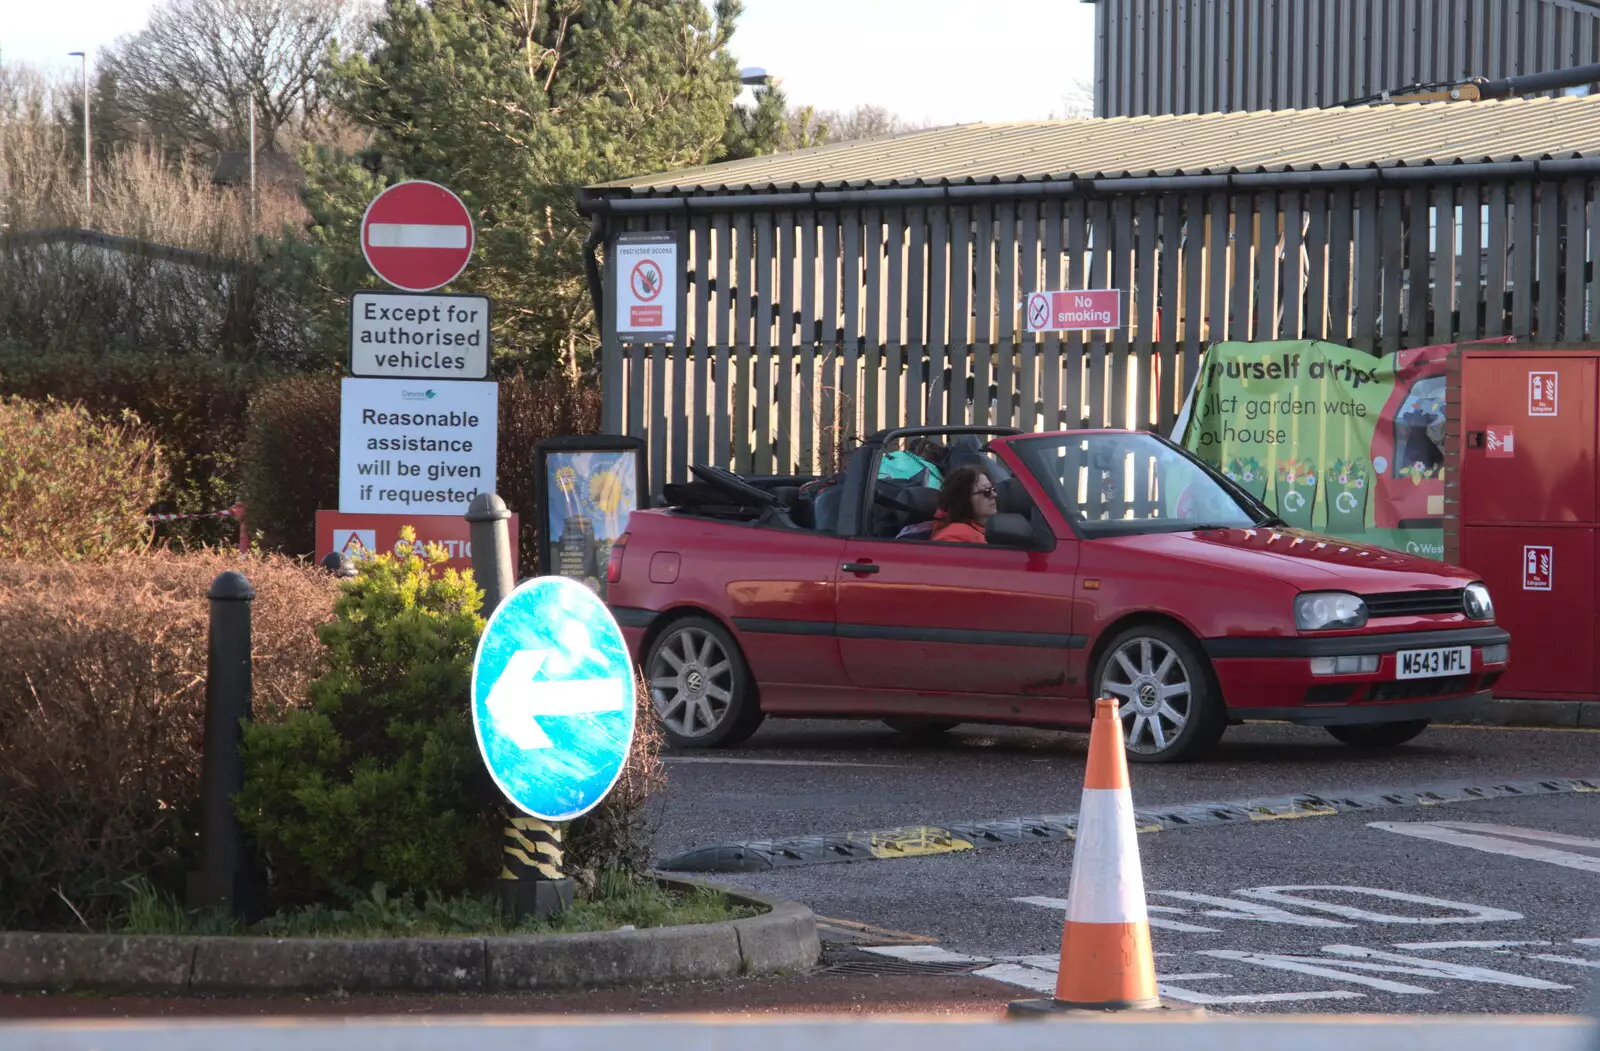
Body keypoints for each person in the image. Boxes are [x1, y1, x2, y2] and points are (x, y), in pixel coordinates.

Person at [930, 465, 997, 543]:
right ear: (964, 499)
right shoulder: (954, 536)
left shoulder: (986, 529)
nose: (994, 494)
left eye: (993, 489)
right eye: (986, 492)